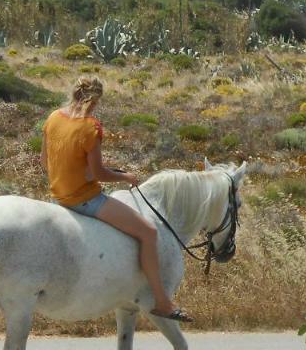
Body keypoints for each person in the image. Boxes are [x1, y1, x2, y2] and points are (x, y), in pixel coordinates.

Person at [40, 76, 192, 322]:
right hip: (85, 200)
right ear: (94, 99)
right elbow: (99, 174)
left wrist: (78, 172)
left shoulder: (53, 117)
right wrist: (125, 177)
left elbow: (45, 163)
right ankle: (162, 302)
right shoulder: (91, 127)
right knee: (148, 232)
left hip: (59, 196)